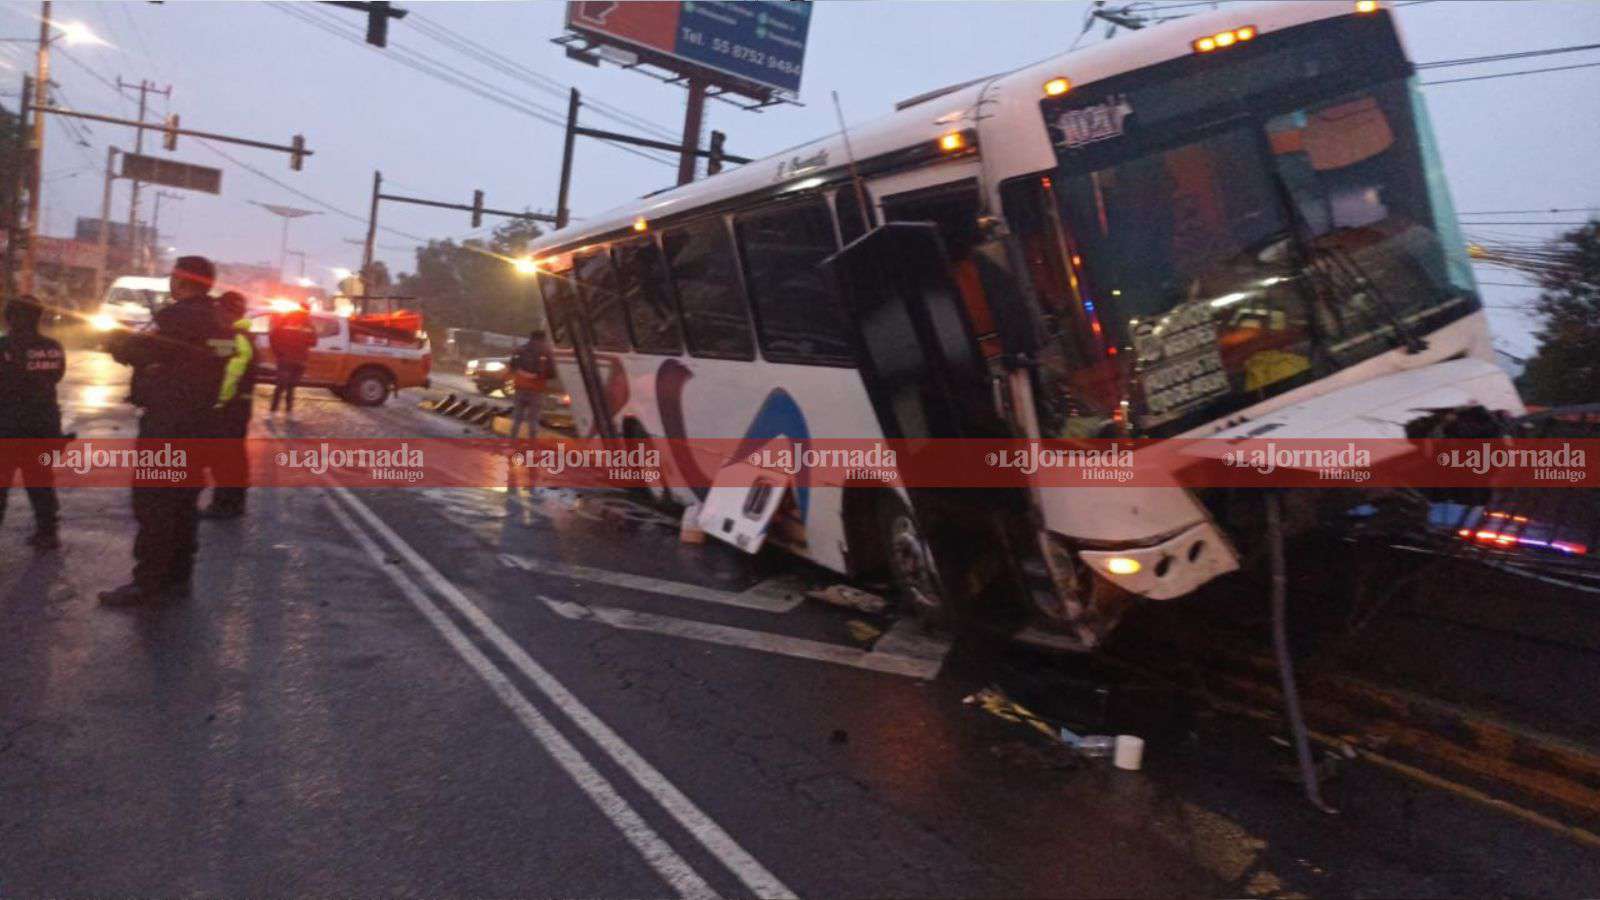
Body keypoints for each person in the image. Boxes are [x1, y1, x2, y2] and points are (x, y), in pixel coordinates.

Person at [99, 256, 238, 606]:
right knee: (183, 502)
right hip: (202, 424)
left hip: (169, 424)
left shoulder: (178, 317)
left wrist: (116, 340)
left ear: (182, 281)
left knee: (155, 502)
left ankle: (148, 583)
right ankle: (177, 576)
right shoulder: (222, 320)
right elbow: (210, 356)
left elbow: (142, 351)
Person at [0, 294, 65, 551]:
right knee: (40, 481)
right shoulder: (52, 346)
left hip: (7, 425)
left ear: (9, 317)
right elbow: (57, 376)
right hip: (43, 424)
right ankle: (48, 533)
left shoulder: (4, 346)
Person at [201, 291, 255, 519]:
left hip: (230, 408)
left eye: (220, 310)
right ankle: (233, 503)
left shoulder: (236, 338)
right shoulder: (241, 335)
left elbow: (232, 374)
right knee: (233, 456)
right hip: (238, 407)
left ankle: (226, 506)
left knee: (226, 458)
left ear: (227, 311)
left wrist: (217, 401)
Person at [508, 328, 553, 441]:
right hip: (536, 389)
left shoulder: (521, 349)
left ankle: (512, 440)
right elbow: (552, 373)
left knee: (517, 417)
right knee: (533, 419)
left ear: (531, 337)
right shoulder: (546, 352)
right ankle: (532, 444)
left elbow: (512, 365)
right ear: (543, 338)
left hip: (520, 387)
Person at [268, 306, 315, 414]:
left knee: (281, 386)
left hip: (285, 359)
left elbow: (272, 336)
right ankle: (288, 411)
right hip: (299, 360)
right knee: (291, 387)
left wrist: (278, 352)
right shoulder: (307, 324)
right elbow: (314, 342)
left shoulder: (285, 321)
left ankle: (273, 411)